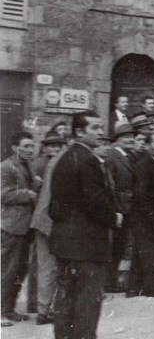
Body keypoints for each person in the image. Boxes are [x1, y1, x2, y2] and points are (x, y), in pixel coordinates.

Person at [49, 111, 122, 339]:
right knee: (87, 303)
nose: (101, 132)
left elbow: (56, 206)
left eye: (101, 127)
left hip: (65, 242)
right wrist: (114, 218)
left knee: (67, 299)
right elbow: (95, 201)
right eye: (95, 128)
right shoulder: (88, 160)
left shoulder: (65, 157)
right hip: (87, 245)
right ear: (79, 132)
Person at [1, 131, 39, 327]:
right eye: (26, 146)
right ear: (15, 148)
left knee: (19, 270)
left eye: (32, 146)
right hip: (11, 226)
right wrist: (28, 193)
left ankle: (9, 309)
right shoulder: (6, 167)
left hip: (25, 227)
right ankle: (1, 313)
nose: (30, 150)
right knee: (7, 269)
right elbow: (3, 195)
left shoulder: (28, 166)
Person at [28, 132, 67, 325]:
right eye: (52, 145)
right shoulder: (53, 164)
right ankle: (46, 309)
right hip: (49, 221)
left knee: (45, 267)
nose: (56, 148)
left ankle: (43, 309)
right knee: (50, 267)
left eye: (59, 145)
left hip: (42, 219)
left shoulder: (48, 163)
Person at [127, 131, 154, 298]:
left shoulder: (153, 163)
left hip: (148, 214)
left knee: (141, 251)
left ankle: (133, 288)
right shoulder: (144, 165)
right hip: (147, 216)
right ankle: (152, 287)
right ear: (147, 145)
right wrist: (152, 212)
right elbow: (140, 193)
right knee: (151, 251)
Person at [104, 123, 137, 293]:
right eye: (126, 136)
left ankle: (114, 279)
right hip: (120, 208)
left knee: (123, 244)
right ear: (117, 139)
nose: (130, 139)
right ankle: (110, 281)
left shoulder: (127, 155)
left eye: (132, 136)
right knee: (116, 245)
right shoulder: (112, 156)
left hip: (127, 207)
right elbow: (111, 186)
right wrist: (117, 209)